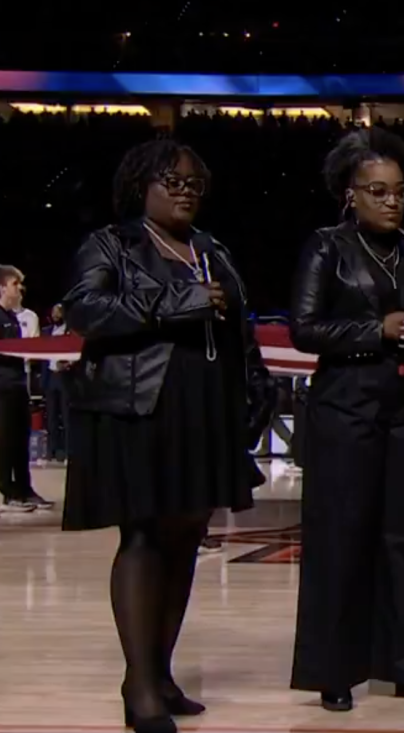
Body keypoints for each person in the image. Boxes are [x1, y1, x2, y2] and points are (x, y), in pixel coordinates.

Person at [60, 139, 273, 733]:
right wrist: (175, 301)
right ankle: (138, 685)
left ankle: (160, 672)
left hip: (205, 410)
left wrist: (256, 386)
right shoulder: (112, 243)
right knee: (145, 537)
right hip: (140, 408)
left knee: (185, 540)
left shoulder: (212, 249)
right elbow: (84, 310)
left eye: (193, 184)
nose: (184, 191)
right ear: (141, 187)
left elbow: (239, 330)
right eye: (171, 181)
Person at [289, 128, 404, 710]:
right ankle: (335, 671)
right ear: (351, 194)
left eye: (399, 191)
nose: (391, 201)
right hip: (345, 407)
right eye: (378, 191)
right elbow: (304, 329)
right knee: (341, 539)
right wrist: (376, 331)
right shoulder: (325, 248)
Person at [0, 266, 38, 513]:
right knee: (5, 442)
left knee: (20, 440)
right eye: (15, 284)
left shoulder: (12, 317)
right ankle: (7, 493)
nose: (20, 288)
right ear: (1, 288)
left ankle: (24, 490)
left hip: (18, 386)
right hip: (2, 388)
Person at [42, 303, 71, 463]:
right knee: (51, 417)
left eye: (58, 312)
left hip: (64, 377)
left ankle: (67, 451)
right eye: (53, 312)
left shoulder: (70, 332)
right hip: (50, 377)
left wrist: (67, 365)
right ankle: (51, 451)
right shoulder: (47, 332)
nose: (55, 315)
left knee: (66, 417)